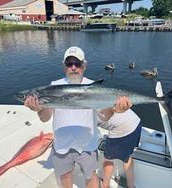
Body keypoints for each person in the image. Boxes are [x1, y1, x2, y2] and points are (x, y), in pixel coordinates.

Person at [24, 46, 132, 188]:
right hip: (61, 145)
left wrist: (115, 109)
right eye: (69, 64)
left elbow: (104, 116)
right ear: (64, 67)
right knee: (66, 176)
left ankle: (160, 100)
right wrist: (39, 109)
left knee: (90, 177)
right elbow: (45, 118)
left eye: (78, 64)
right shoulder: (53, 87)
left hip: (88, 145)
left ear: (84, 66)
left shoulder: (94, 87)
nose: (73, 67)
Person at [98, 109, 141, 188]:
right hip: (135, 122)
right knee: (127, 156)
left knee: (108, 159)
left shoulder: (84, 113)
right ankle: (131, 186)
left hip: (122, 128)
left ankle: (105, 186)